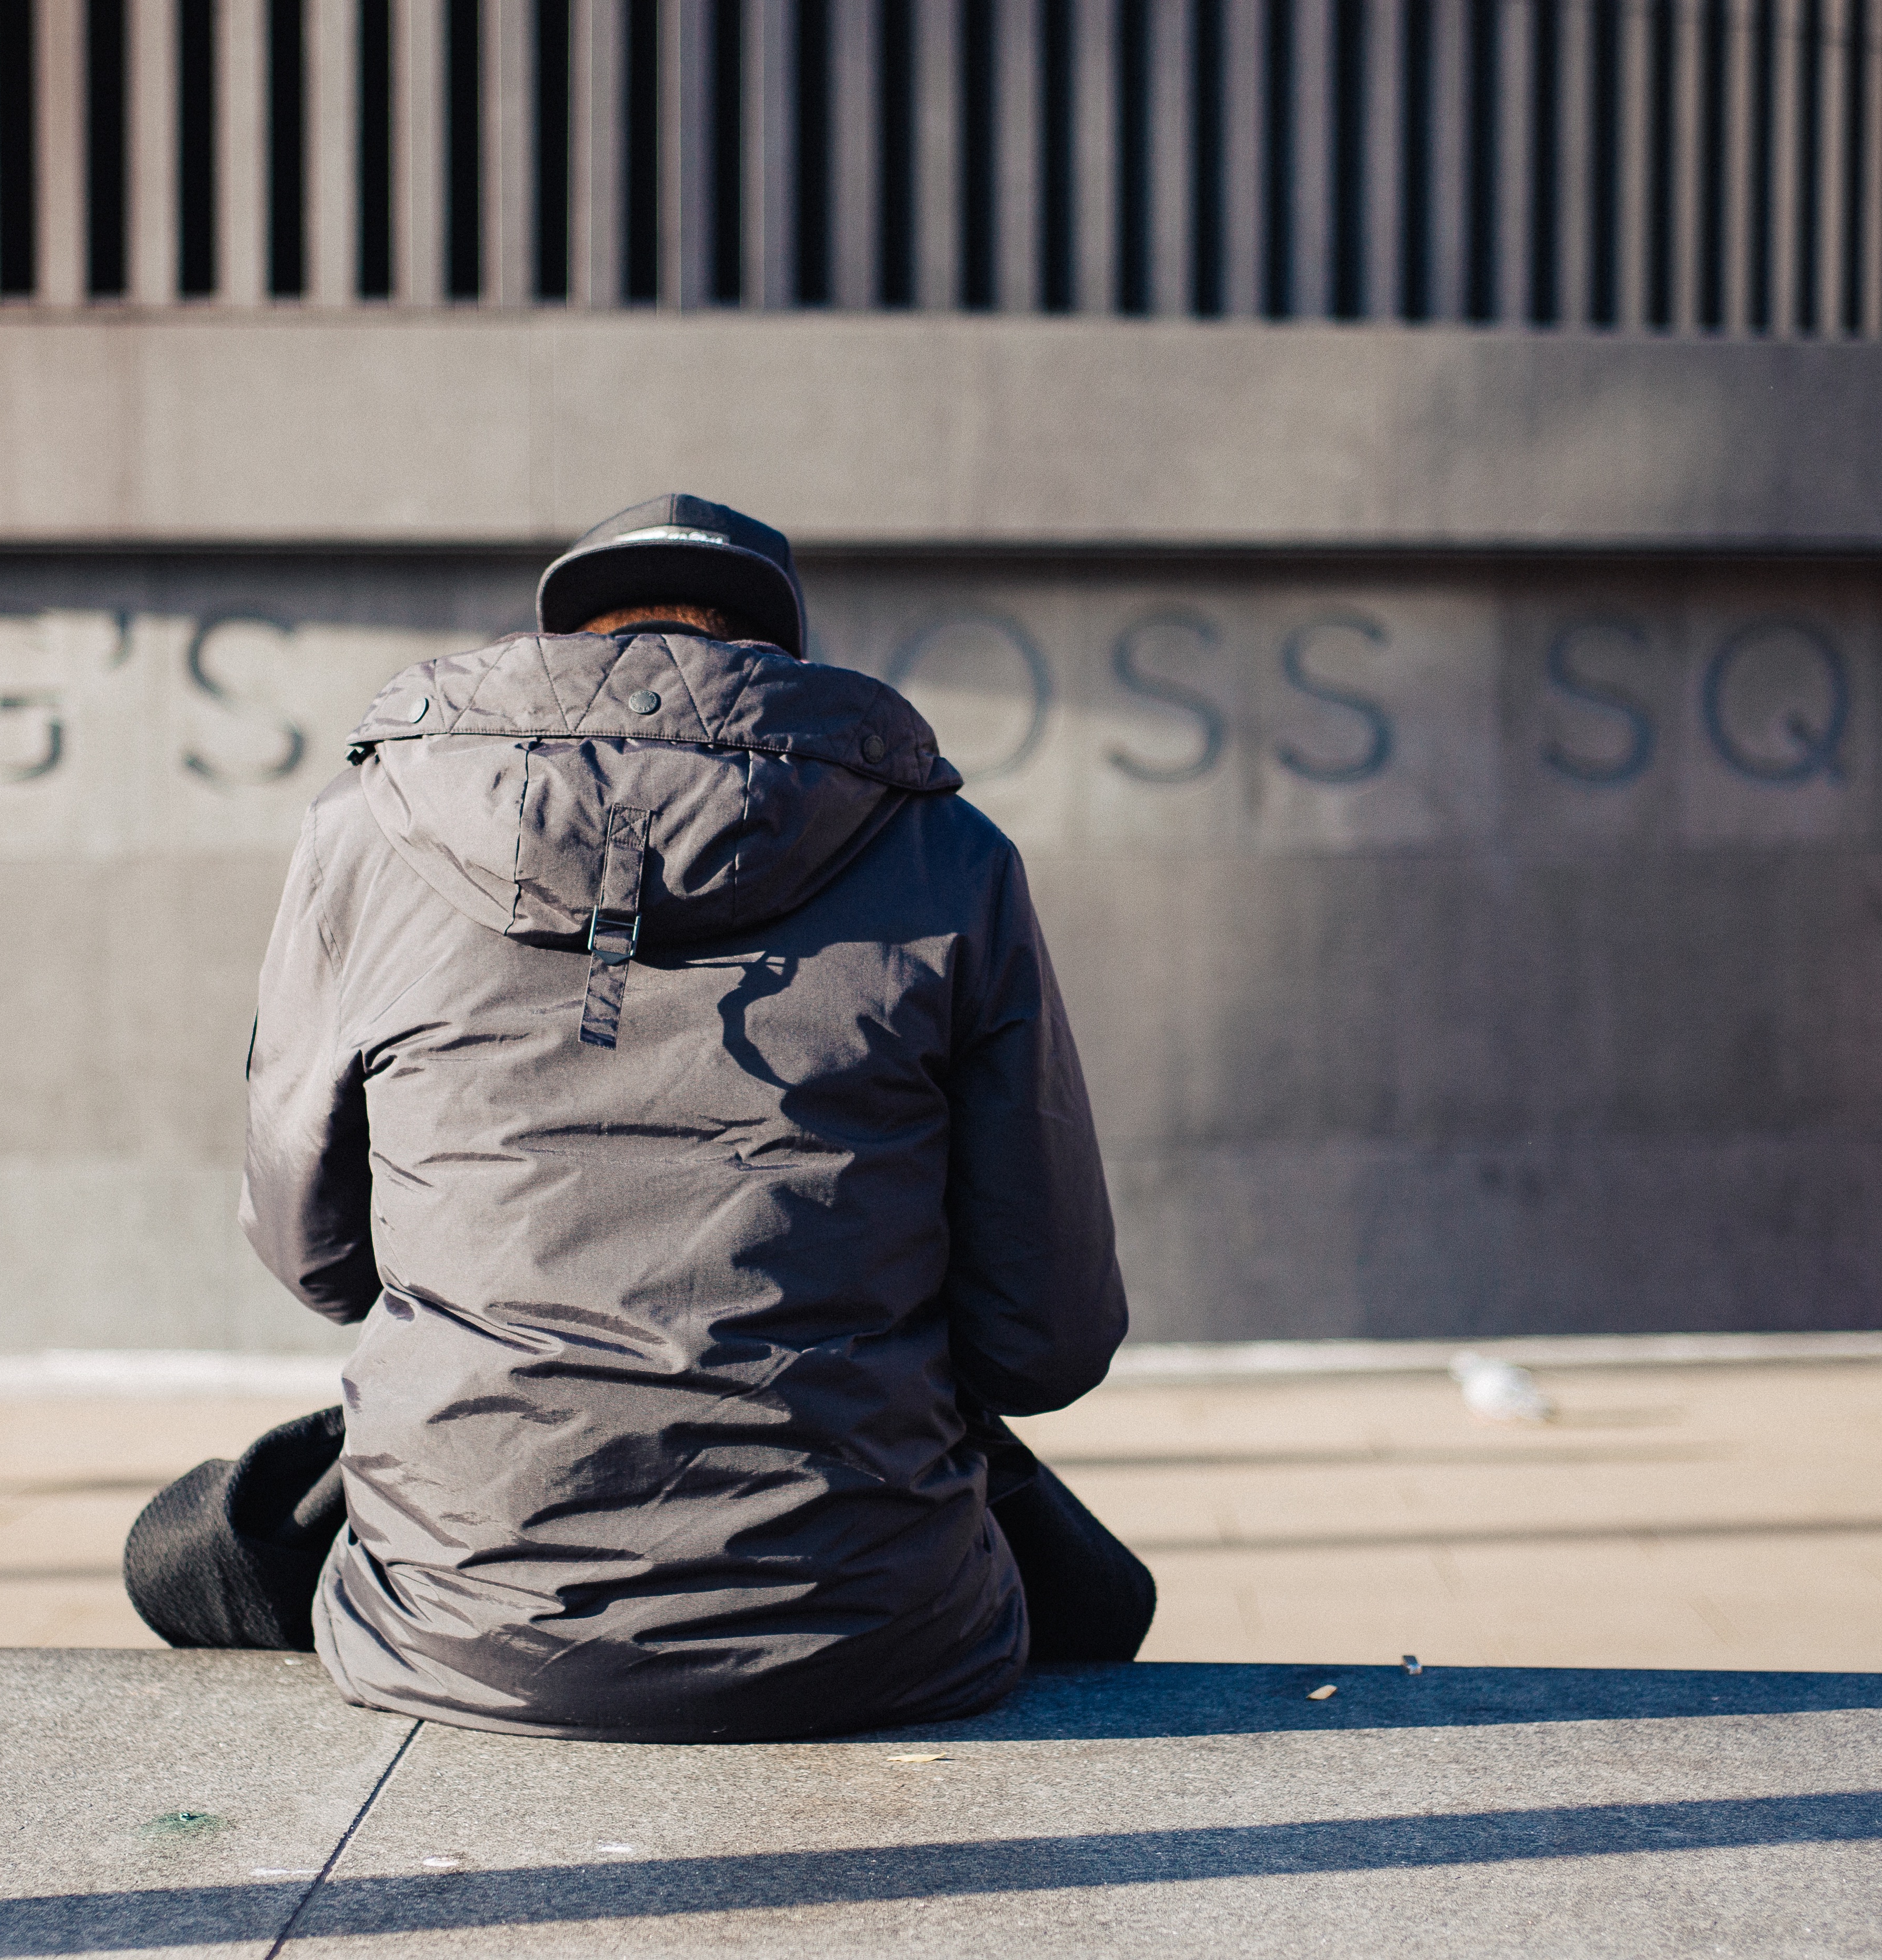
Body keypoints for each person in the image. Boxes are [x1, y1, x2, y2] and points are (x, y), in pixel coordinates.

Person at [124, 493, 1153, 1742]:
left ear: (569, 650)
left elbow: (319, 1260)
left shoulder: (364, 841)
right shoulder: (954, 856)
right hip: (879, 1636)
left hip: (455, 1628)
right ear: (774, 660)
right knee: (1095, 1586)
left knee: (183, 1542)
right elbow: (1046, 1341)